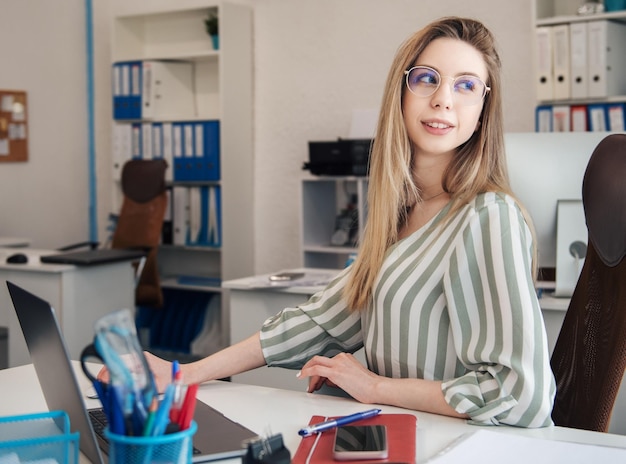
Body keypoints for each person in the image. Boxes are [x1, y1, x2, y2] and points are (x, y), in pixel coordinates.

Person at [103, 16, 556, 428]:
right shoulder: (401, 215)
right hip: (402, 439)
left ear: (482, 111)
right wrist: (186, 374)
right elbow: (319, 322)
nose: (442, 100)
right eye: (427, 79)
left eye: (466, 86)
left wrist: (374, 386)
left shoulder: (487, 216)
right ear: (401, 91)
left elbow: (522, 394)